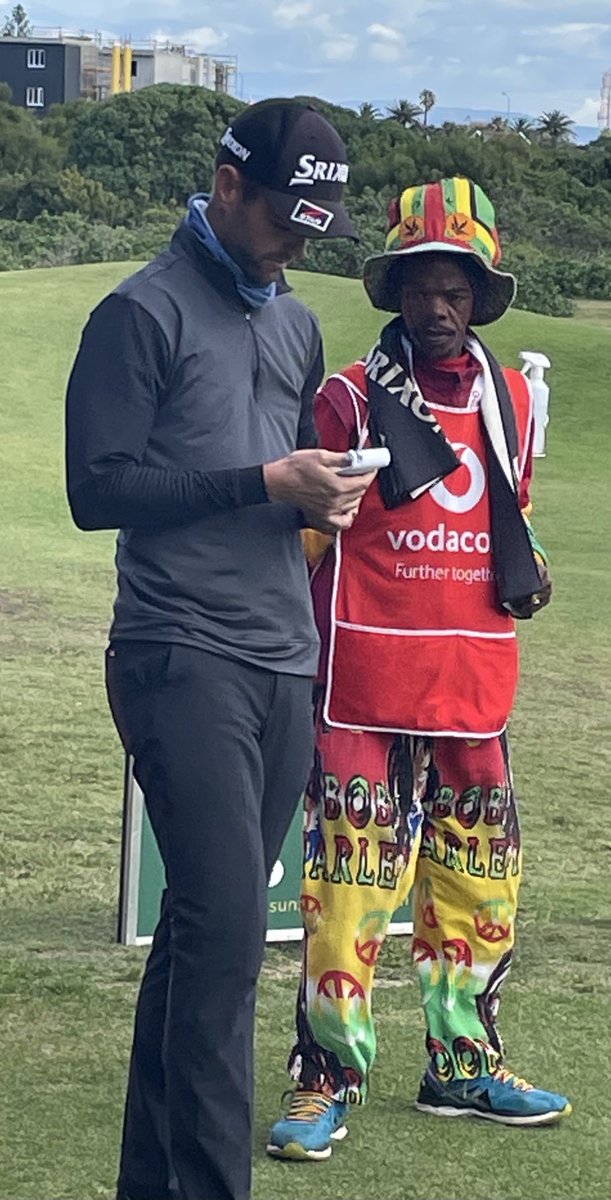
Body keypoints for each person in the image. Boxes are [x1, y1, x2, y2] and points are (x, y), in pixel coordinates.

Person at [65, 99, 378, 1200]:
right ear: (227, 184)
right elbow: (93, 489)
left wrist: (318, 501)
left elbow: (279, 474)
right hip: (175, 651)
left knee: (205, 935)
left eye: (314, 225)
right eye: (283, 219)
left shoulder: (293, 321)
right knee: (232, 935)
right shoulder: (138, 313)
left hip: (280, 657)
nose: (296, 245)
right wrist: (260, 484)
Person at [267, 175, 572, 1162]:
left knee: (477, 890)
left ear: (479, 297)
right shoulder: (347, 400)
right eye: (417, 287)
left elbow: (504, 530)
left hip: (474, 691)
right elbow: (301, 538)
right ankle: (324, 1078)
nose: (435, 309)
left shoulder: (515, 400)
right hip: (359, 687)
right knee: (346, 899)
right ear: (392, 291)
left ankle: (461, 1066)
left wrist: (529, 573)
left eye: (454, 289)